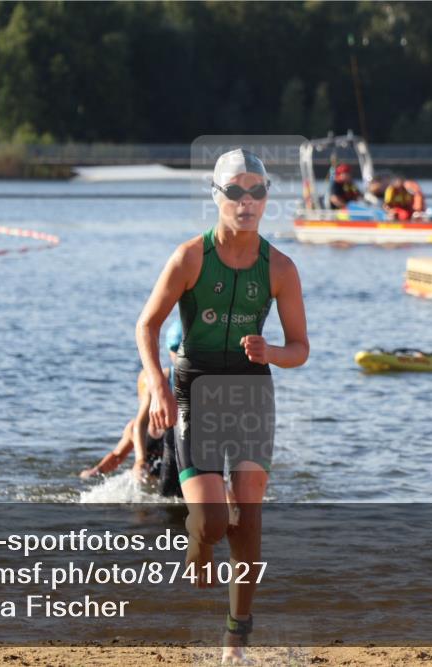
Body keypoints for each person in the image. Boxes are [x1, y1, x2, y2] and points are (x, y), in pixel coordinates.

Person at [135, 148, 308, 664]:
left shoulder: (280, 267)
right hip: (196, 388)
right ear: (217, 196)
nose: (247, 201)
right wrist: (160, 387)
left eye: (257, 191)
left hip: (252, 389)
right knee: (213, 521)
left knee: (249, 514)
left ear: (266, 200)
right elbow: (146, 326)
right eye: (236, 191)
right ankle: (200, 537)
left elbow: (300, 349)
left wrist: (270, 352)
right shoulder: (190, 257)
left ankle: (236, 638)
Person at [80, 321, 183, 498]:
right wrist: (95, 472)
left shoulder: (178, 425)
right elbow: (117, 456)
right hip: (151, 486)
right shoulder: (135, 429)